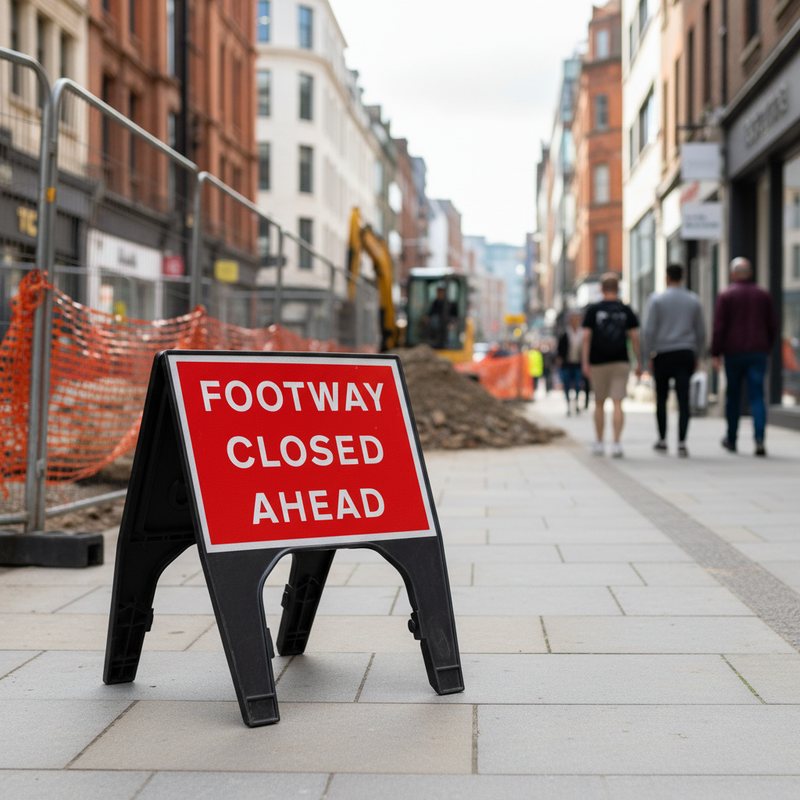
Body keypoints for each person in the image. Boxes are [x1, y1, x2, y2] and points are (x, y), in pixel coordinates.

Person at [711, 257, 778, 456]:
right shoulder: (762, 294)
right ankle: (759, 439)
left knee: (734, 396)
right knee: (758, 396)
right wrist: (766, 346)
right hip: (757, 352)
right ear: (749, 273)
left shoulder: (726, 295)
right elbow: (773, 325)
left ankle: (731, 439)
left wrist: (716, 353)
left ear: (733, 274)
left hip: (733, 352)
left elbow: (719, 327)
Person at [643, 264, 706, 457]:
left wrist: (647, 356)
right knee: (683, 399)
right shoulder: (693, 300)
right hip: (685, 353)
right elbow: (701, 332)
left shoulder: (657, 300)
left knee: (661, 398)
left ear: (666, 277)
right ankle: (681, 442)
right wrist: (698, 355)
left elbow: (648, 331)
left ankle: (662, 439)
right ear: (683, 277)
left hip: (662, 354)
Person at [581, 273, 641, 457]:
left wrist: (585, 362)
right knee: (618, 403)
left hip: (598, 362)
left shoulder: (593, 310)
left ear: (601, 288)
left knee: (598, 403)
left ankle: (599, 442)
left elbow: (585, 338)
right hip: (620, 361)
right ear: (618, 288)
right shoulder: (626, 309)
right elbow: (634, 337)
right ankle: (616, 443)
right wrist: (638, 361)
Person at [557, 312, 584, 416]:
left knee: (578, 385)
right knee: (567, 385)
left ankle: (576, 403)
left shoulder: (582, 333)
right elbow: (560, 348)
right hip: (566, 364)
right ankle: (568, 405)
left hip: (578, 363)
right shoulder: (565, 333)